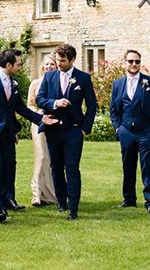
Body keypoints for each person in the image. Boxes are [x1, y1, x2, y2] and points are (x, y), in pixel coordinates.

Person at [0, 49, 57, 223]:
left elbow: (20, 108)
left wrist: (41, 119)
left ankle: (6, 201)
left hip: (8, 133)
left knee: (8, 168)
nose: (19, 67)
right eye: (18, 64)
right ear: (8, 65)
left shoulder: (13, 82)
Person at [36, 43, 98, 220]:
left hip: (74, 131)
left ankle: (73, 208)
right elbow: (40, 99)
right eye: (57, 60)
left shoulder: (83, 78)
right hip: (53, 129)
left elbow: (92, 105)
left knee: (72, 168)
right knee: (56, 167)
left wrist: (85, 129)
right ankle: (61, 202)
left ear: (72, 59)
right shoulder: (49, 76)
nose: (59, 64)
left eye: (62, 61)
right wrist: (55, 103)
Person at [109, 49, 150, 213]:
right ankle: (129, 199)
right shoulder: (117, 84)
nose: (134, 64)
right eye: (131, 61)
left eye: (137, 61)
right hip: (126, 131)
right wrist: (118, 127)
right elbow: (113, 107)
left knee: (148, 167)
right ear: (124, 63)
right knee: (127, 166)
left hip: (146, 131)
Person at [27, 54, 57, 207]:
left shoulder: (57, 82)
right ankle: (36, 194)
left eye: (52, 64)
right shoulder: (36, 83)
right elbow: (30, 105)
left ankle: (50, 194)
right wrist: (37, 114)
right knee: (41, 156)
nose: (48, 67)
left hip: (54, 124)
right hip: (38, 123)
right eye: (46, 64)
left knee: (52, 158)